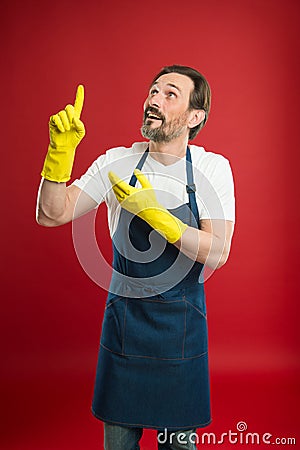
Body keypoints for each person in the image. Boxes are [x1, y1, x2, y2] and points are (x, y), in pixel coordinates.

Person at [36, 65, 235, 450]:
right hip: (125, 333)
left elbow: (219, 251)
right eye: (153, 91)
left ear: (195, 117)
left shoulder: (212, 168)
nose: (154, 100)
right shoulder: (118, 162)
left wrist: (158, 217)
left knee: (179, 446)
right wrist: (59, 156)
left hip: (182, 335)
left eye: (170, 94)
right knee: (119, 444)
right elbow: (51, 214)